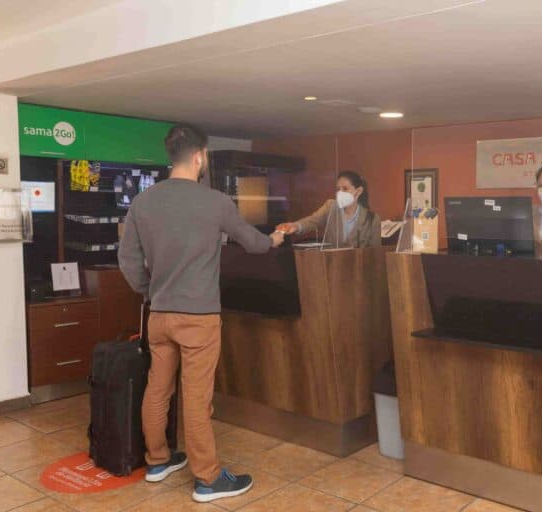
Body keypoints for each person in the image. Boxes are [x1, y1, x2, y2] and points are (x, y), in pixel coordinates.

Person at [118, 124, 284, 503]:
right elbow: (254, 243)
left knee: (157, 389)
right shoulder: (216, 202)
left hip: (159, 315)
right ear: (199, 157)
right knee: (196, 399)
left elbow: (127, 260)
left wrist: (150, 291)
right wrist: (273, 239)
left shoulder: (143, 202)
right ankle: (208, 479)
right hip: (199, 318)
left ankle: (158, 460)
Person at [276, 170, 381, 248]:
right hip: (330, 265)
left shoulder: (372, 219)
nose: (340, 192)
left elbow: (375, 254)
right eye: (338, 189)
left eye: (345, 189)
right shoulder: (331, 206)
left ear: (358, 191)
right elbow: (313, 221)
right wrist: (295, 226)